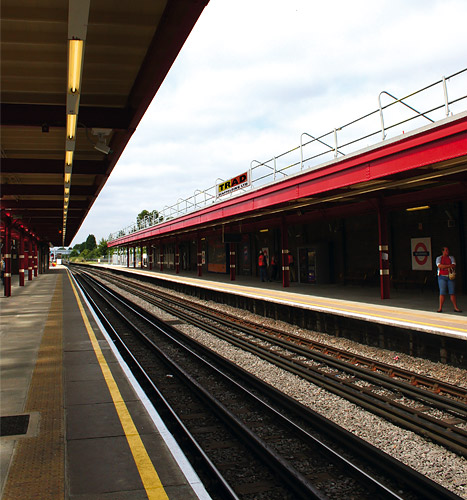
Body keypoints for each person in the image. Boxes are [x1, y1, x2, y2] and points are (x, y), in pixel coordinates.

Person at [436, 246, 462, 313]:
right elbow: (439, 266)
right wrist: (448, 266)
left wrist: (445, 266)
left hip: (450, 277)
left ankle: (455, 307)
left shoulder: (451, 257)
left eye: (448, 250)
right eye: (446, 250)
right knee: (442, 292)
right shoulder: (439, 258)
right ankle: (440, 308)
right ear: (443, 251)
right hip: (442, 277)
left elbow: (453, 265)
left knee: (452, 292)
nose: (447, 252)